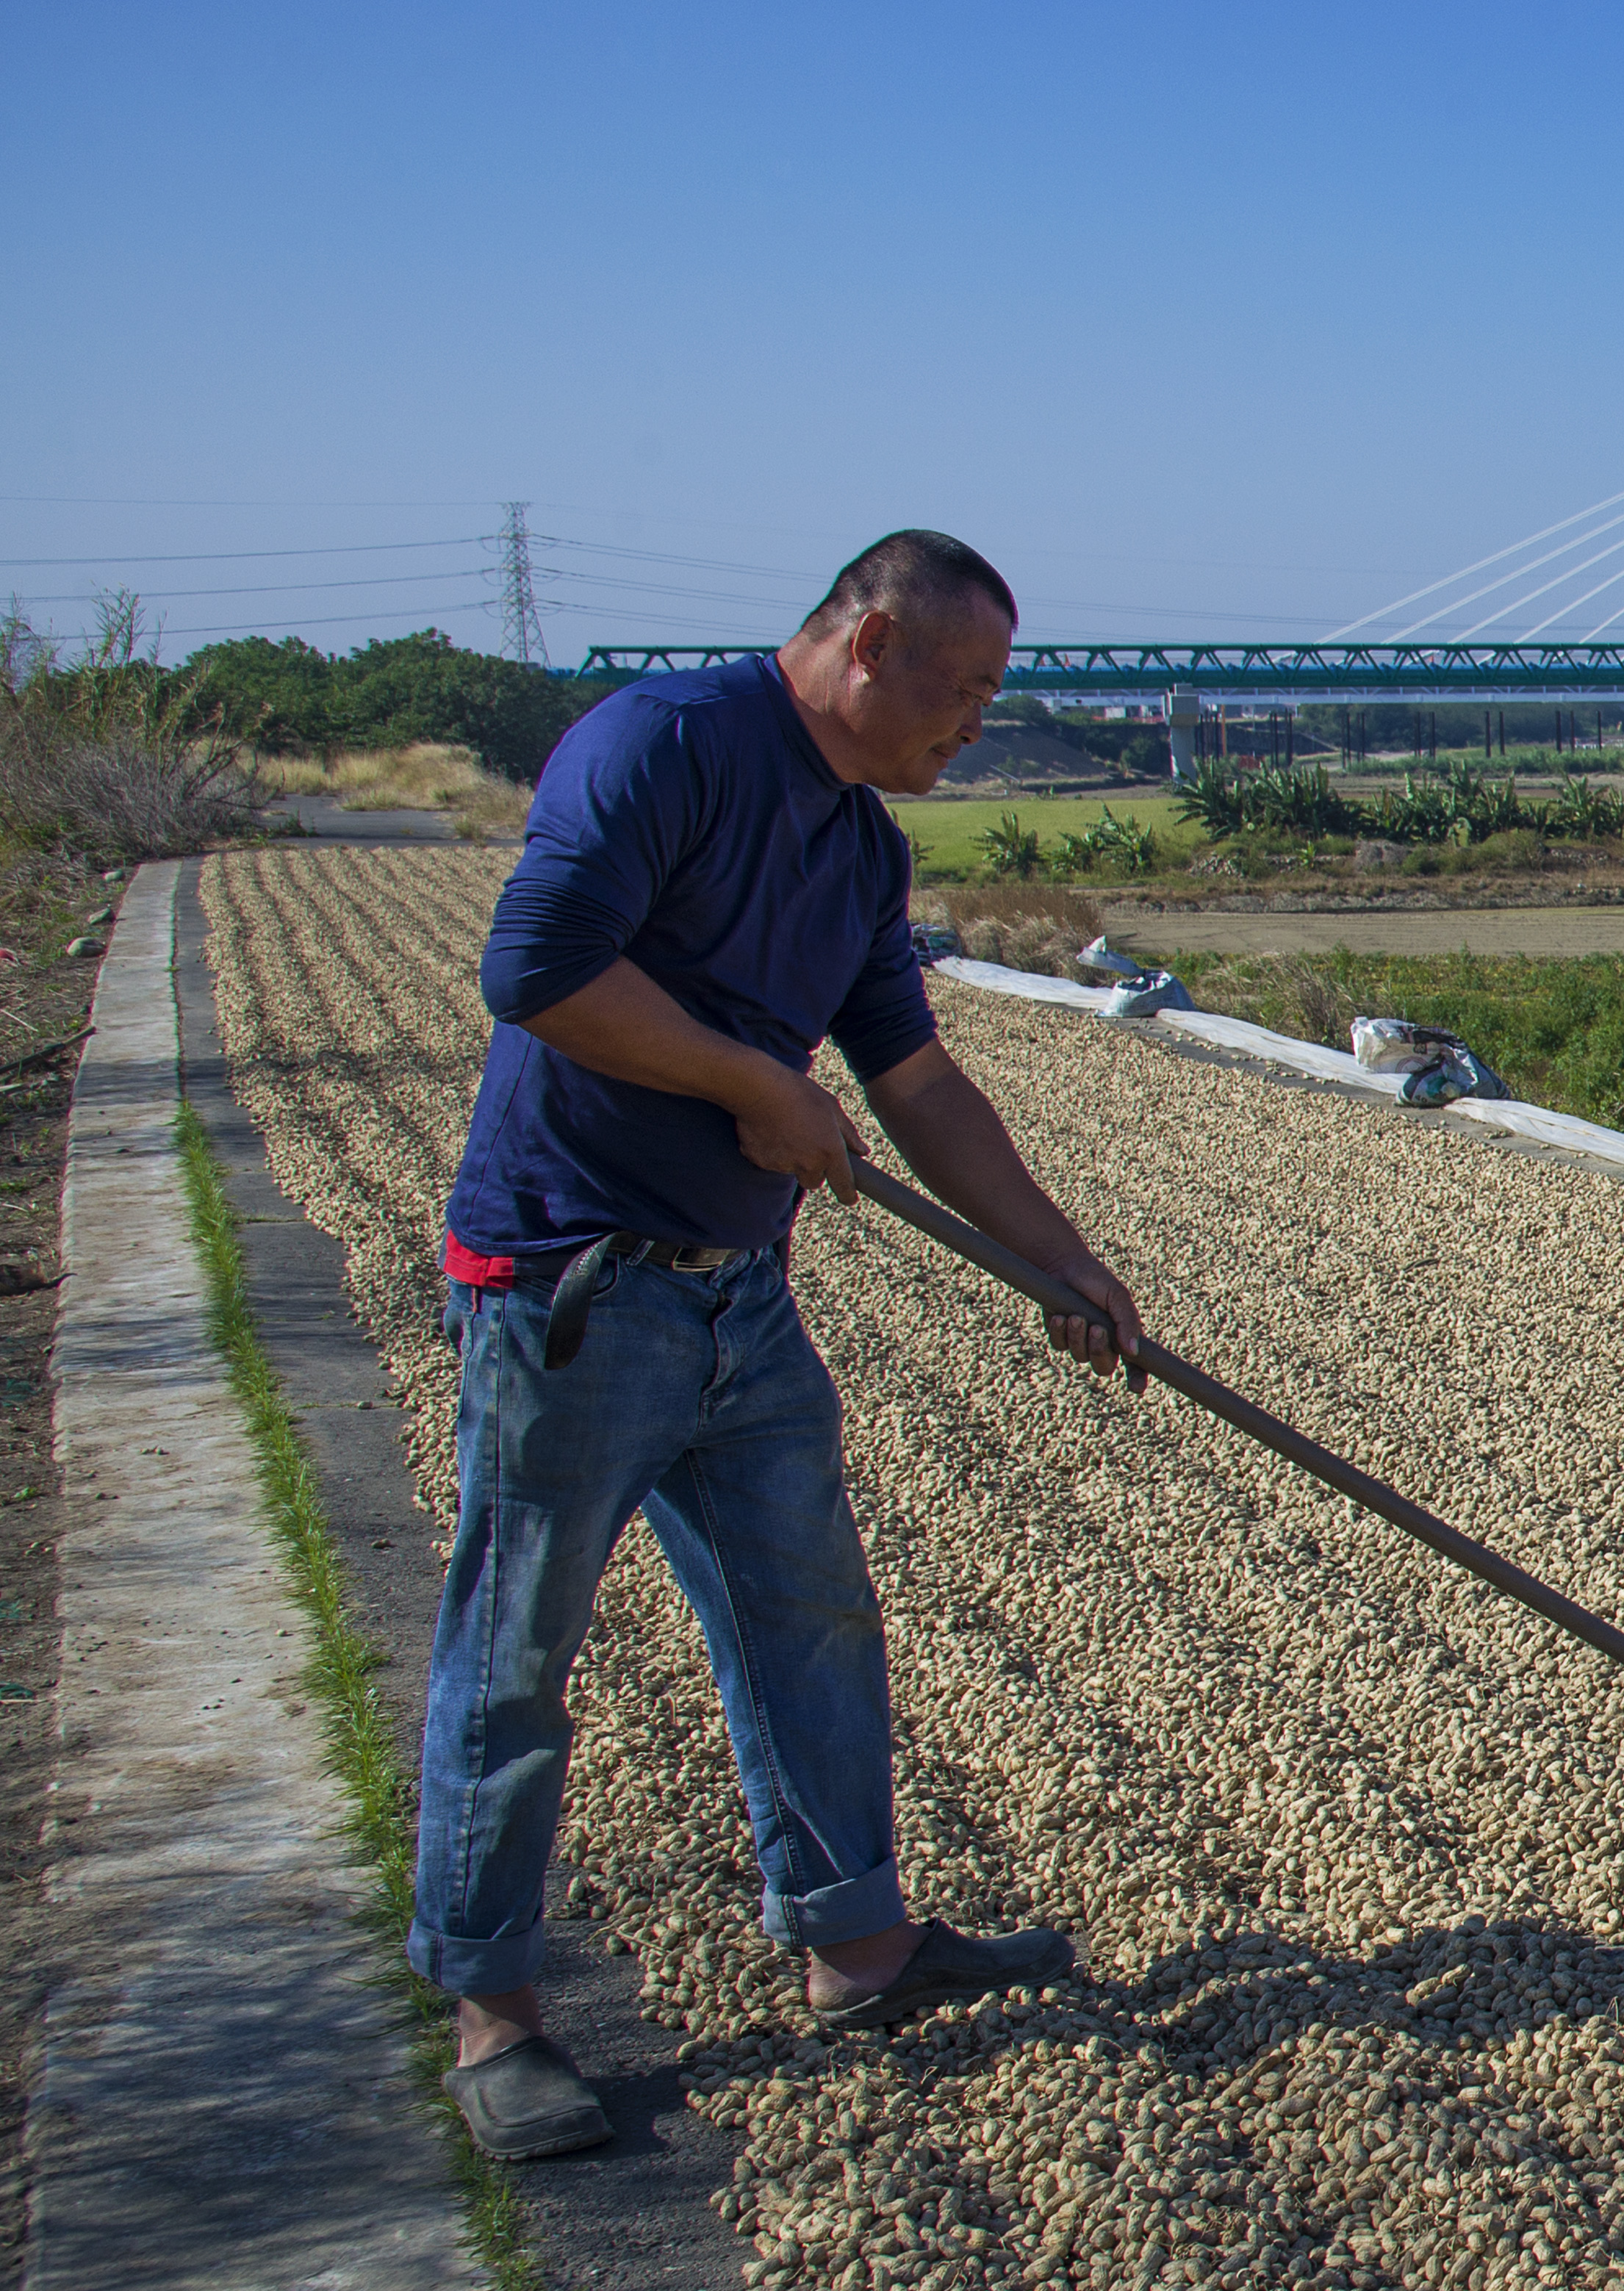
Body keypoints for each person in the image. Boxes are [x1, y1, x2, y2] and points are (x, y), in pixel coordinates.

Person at [420, 531, 1143, 2160]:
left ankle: (857, 1943)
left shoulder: (858, 847)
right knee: (516, 1654)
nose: (972, 726)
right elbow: (535, 971)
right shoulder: (663, 744)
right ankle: (494, 2014)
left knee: (806, 1614)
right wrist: (755, 1084)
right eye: (960, 692)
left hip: (737, 1294)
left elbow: (917, 1077)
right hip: (571, 1288)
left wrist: (1064, 1263)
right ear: (869, 645)